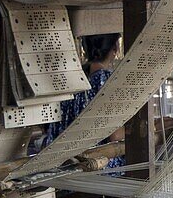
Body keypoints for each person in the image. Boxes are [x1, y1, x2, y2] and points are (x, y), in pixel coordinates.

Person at [42, 33, 125, 169]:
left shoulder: (71, 79)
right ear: (115, 48)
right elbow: (115, 135)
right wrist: (152, 127)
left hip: (62, 164)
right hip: (95, 166)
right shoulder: (109, 81)